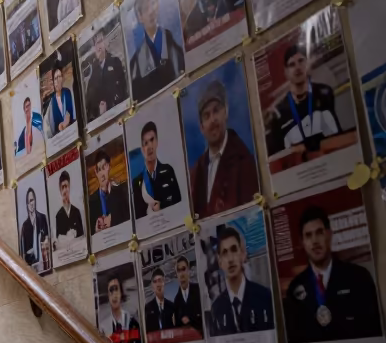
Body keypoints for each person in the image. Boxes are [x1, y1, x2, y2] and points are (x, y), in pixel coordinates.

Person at [283, 206, 383, 343]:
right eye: (308, 235)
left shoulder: (359, 277)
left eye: (319, 232)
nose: (315, 241)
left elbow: (375, 334)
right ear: (302, 243)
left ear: (329, 234)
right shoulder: (295, 288)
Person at [188, 80, 259, 216]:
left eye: (216, 111)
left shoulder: (244, 162)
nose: (212, 119)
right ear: (201, 127)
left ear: (225, 112)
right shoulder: (196, 172)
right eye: (206, 115)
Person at [264, 45, 348, 157]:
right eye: (292, 65)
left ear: (307, 64)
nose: (297, 67)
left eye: (301, 61)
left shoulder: (324, 93)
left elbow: (338, 135)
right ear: (286, 72)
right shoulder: (280, 112)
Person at [208, 226, 275, 334]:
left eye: (234, 250)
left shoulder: (265, 297)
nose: (230, 259)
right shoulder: (216, 309)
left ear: (243, 254)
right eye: (225, 253)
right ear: (220, 262)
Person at [128, 0, 185, 101]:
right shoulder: (135, 64)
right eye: (146, 8)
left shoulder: (173, 43)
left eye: (153, 4)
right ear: (140, 17)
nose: (151, 12)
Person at [131, 121, 182, 218]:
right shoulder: (137, 182)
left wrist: (162, 206)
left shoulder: (168, 171)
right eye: (145, 143)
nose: (149, 146)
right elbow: (137, 216)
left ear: (157, 142)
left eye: (152, 140)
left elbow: (178, 203)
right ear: (142, 149)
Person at [84, 28, 129, 119]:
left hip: (117, 113)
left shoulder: (115, 62)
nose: (98, 46)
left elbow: (121, 90)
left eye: (100, 41)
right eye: (96, 43)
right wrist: (98, 110)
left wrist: (108, 104)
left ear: (106, 42)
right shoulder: (93, 71)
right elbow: (89, 100)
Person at [100, 274, 143, 343]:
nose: (114, 294)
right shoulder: (103, 328)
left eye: (116, 289)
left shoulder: (133, 323)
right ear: (108, 295)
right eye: (111, 290)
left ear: (121, 293)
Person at [88, 149, 131, 234]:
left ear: (109, 167)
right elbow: (90, 234)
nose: (102, 174)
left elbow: (128, 220)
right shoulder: (91, 202)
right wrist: (96, 230)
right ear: (96, 172)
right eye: (99, 169)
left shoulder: (121, 193)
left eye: (104, 167)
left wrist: (113, 219)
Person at [19, 187, 50, 269]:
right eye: (29, 202)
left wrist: (44, 244)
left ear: (35, 200)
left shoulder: (42, 218)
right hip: (31, 266)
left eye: (32, 200)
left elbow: (47, 239)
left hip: (44, 263)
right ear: (27, 205)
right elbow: (24, 254)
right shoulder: (24, 226)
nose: (31, 204)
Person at [171, 256, 203, 335]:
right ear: (176, 275)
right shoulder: (176, 301)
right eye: (179, 271)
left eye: (183, 269)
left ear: (188, 270)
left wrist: (190, 319)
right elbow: (177, 326)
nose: (181, 274)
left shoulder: (199, 290)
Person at [144, 269, 176, 336]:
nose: (158, 284)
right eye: (155, 281)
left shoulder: (172, 307)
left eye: (160, 280)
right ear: (152, 286)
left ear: (164, 282)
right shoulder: (147, 309)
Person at [45, 64, 75, 134]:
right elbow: (53, 125)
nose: (57, 80)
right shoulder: (52, 101)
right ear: (53, 81)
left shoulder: (67, 92)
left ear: (62, 79)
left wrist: (66, 122)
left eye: (59, 77)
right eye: (55, 78)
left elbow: (70, 112)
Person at [54, 171, 85, 239]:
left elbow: (82, 236)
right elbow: (58, 240)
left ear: (69, 187)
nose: (65, 190)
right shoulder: (58, 216)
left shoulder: (76, 212)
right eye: (62, 187)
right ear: (60, 190)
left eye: (66, 186)